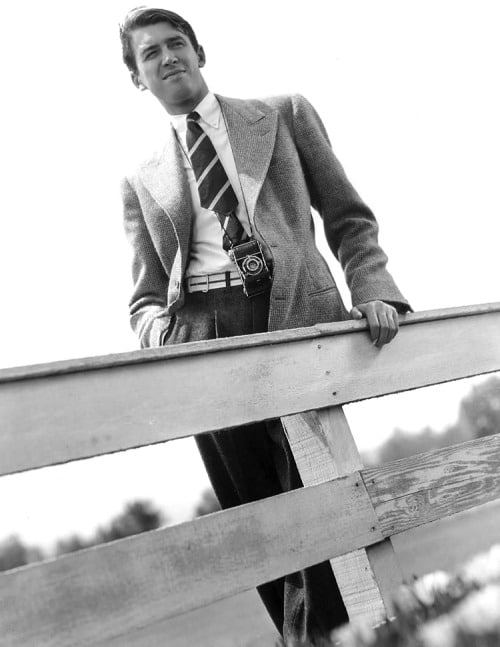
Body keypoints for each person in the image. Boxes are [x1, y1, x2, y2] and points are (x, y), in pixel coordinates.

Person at [119, 6, 411, 644]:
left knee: (320, 491)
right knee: (255, 515)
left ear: (200, 51)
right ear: (138, 79)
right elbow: (143, 295)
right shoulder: (140, 179)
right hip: (199, 336)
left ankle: (363, 631)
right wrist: (158, 337)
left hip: (286, 313)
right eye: (150, 54)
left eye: (177, 44)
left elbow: (348, 216)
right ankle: (301, 638)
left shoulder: (282, 114)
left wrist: (373, 288)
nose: (168, 57)